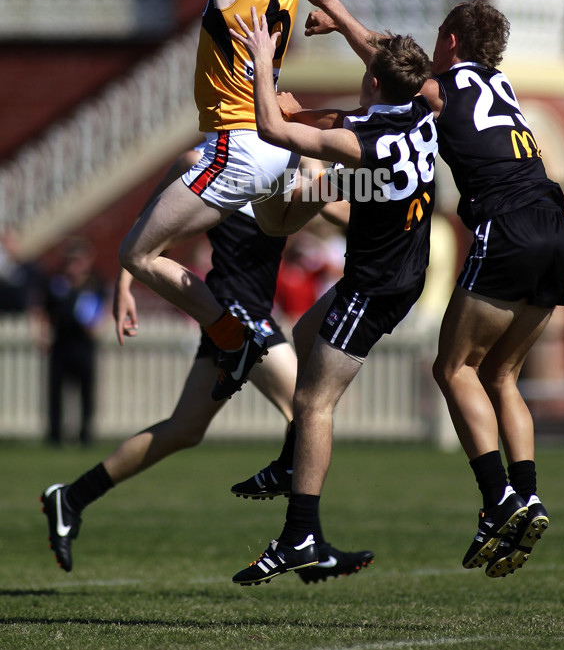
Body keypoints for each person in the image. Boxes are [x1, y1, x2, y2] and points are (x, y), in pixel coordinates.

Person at [300, 0, 564, 579]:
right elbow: (394, 54)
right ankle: (526, 496)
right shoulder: (498, 82)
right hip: (559, 230)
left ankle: (496, 502)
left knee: (453, 368)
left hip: (506, 227)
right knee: (503, 373)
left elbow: (390, 62)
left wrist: (332, 8)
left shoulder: (442, 85)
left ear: (450, 40)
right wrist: (343, 21)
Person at [40, 144, 373, 583]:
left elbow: (335, 206)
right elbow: (150, 227)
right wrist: (124, 280)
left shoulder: (291, 162)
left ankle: (72, 497)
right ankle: (307, 542)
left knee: (184, 430)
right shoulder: (207, 158)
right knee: (308, 410)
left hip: (242, 313)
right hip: (233, 316)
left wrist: (389, 195)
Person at [228, 5, 437, 584]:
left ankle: (299, 534)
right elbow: (376, 89)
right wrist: (344, 23)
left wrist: (265, 68)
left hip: (376, 286)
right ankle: (286, 465)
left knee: (314, 402)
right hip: (399, 267)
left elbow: (273, 130)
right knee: (302, 334)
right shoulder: (426, 110)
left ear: (372, 80)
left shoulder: (363, 138)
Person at [118, 0, 320, 402]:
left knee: (136, 252)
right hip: (267, 148)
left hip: (235, 145)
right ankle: (235, 333)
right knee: (170, 247)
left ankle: (231, 337)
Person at [37, 236, 108, 446]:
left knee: (86, 391)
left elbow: (105, 306)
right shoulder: (56, 283)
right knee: (56, 390)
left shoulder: (94, 282)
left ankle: (85, 434)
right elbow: (42, 309)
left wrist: (98, 326)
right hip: (61, 343)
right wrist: (42, 333)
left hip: (84, 344)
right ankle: (55, 434)